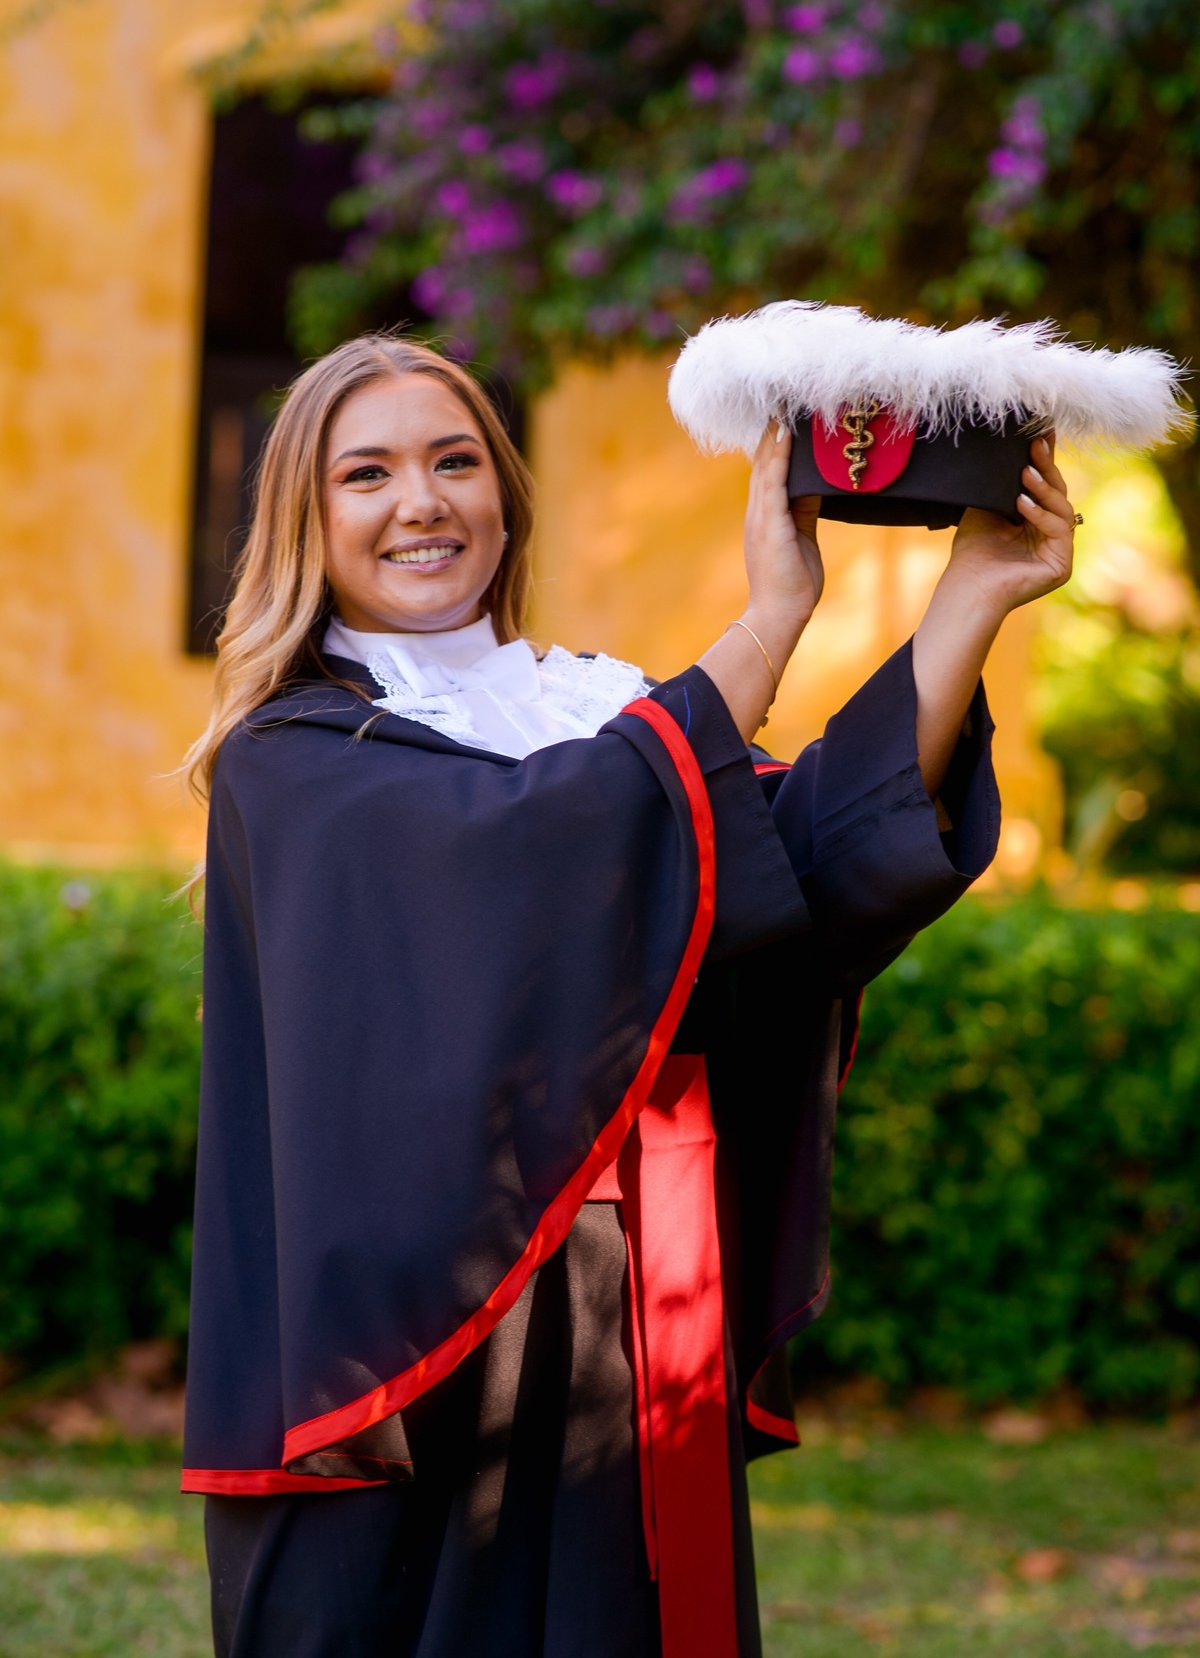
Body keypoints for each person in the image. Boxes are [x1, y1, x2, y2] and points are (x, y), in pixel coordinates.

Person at [181, 334, 1076, 1658]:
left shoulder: (594, 712)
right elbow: (542, 845)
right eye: (365, 473)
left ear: (505, 495)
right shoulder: (296, 756)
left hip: (633, 1307)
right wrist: (770, 620)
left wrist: (971, 597)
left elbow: (802, 871)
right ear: (302, 520)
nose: (421, 501)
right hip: (422, 1356)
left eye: (455, 461)